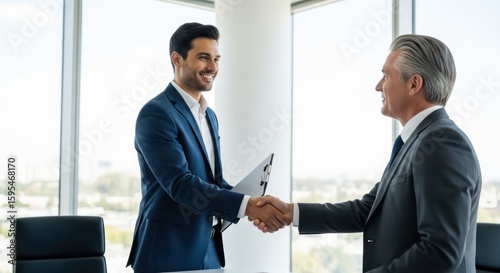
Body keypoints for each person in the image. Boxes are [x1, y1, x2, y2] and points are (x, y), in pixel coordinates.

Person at [253, 34, 482, 273]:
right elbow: (367, 210)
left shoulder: (442, 142)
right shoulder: (417, 141)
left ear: (414, 84)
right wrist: (291, 212)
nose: (378, 86)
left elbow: (440, 252)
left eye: (386, 75)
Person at [126, 22, 290, 273]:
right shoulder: (157, 113)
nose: (212, 67)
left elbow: (212, 182)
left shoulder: (209, 116)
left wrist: (253, 202)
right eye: (203, 58)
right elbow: (181, 185)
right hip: (167, 252)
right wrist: (246, 206)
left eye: (216, 59)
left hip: (209, 250)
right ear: (177, 59)